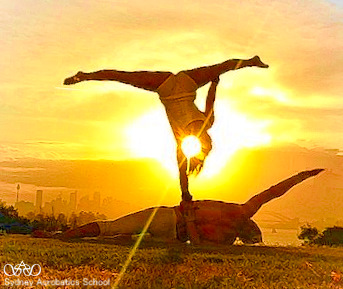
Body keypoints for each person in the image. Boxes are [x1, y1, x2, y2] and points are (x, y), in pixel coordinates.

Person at [64, 56, 269, 201]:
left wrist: (185, 194)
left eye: (206, 143)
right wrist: (214, 83)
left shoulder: (182, 142)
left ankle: (85, 76)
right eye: (209, 142)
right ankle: (252, 61)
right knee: (223, 66)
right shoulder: (207, 126)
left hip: (168, 89)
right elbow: (211, 102)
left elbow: (181, 171)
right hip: (188, 85)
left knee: (123, 76)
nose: (208, 140)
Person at [49, 169, 323, 244]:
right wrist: (302, 177)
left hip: (173, 236)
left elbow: (198, 242)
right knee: (113, 231)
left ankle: (60, 237)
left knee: (117, 238)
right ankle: (60, 237)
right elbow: (273, 193)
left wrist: (191, 222)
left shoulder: (227, 239)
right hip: (166, 219)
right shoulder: (244, 210)